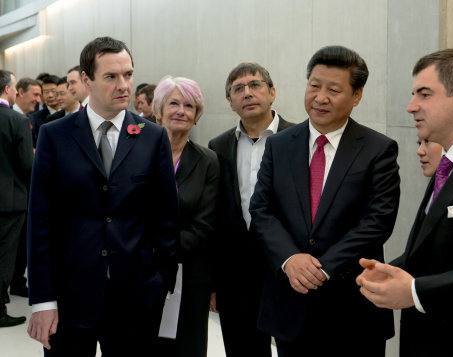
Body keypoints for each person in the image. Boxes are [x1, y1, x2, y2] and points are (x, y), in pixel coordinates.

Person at [26, 36, 180, 357]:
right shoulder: (55, 135)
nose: (123, 85)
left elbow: (166, 216)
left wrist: (161, 282)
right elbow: (40, 221)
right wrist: (43, 300)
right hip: (69, 297)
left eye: (128, 74)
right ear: (87, 80)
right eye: (111, 76)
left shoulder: (152, 137)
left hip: (136, 296)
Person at [356, 48, 453, 356]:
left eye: (424, 94)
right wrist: (391, 271)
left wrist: (413, 292)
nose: (411, 106)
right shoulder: (452, 164)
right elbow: (438, 250)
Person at [249, 45, 399, 356]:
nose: (321, 97)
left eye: (334, 89)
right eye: (314, 85)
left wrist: (322, 268)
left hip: (353, 308)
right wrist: (291, 259)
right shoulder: (278, 145)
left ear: (356, 96)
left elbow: (378, 221)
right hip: (290, 303)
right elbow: (261, 210)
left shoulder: (377, 149)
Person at [208, 62, 294, 357]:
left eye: (255, 85)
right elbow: (216, 219)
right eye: (238, 89)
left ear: (272, 93)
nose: (247, 93)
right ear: (230, 101)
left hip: (289, 270)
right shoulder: (217, 147)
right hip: (236, 276)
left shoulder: (300, 139)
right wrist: (215, 281)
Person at [152, 75, 219, 357]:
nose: (181, 111)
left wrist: (160, 248)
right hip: (142, 271)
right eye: (174, 103)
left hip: (190, 276)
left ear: (196, 116)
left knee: (187, 348)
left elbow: (205, 225)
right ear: (159, 110)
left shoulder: (208, 161)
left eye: (189, 106)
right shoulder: (137, 153)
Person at [0, 69, 33, 327]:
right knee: (5, 256)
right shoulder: (17, 120)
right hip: (10, 200)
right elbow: (26, 163)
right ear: (8, 89)